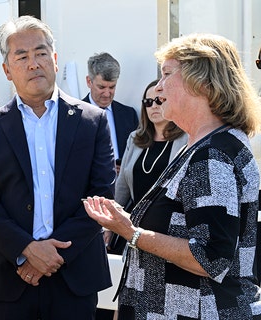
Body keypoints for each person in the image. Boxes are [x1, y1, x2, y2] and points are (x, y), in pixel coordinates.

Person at [84, 33, 261, 319]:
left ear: (201, 82)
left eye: (167, 74)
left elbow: (211, 257)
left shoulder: (212, 155)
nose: (158, 89)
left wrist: (132, 232)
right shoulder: (208, 144)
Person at [0, 15, 115, 319]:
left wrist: (52, 256)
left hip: (73, 278)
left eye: (41, 53)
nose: (34, 63)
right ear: (7, 70)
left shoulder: (92, 122)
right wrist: (26, 250)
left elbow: (101, 196)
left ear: (55, 59)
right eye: (21, 56)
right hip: (11, 279)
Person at [106, 79, 188, 254]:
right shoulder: (135, 139)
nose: (154, 106)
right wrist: (111, 225)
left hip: (171, 231)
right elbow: (122, 188)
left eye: (160, 100)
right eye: (148, 102)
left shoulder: (186, 139)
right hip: (134, 226)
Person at [82, 52, 138, 173]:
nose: (107, 94)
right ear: (88, 81)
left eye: (112, 87)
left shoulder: (129, 115)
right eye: (101, 87)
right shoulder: (74, 115)